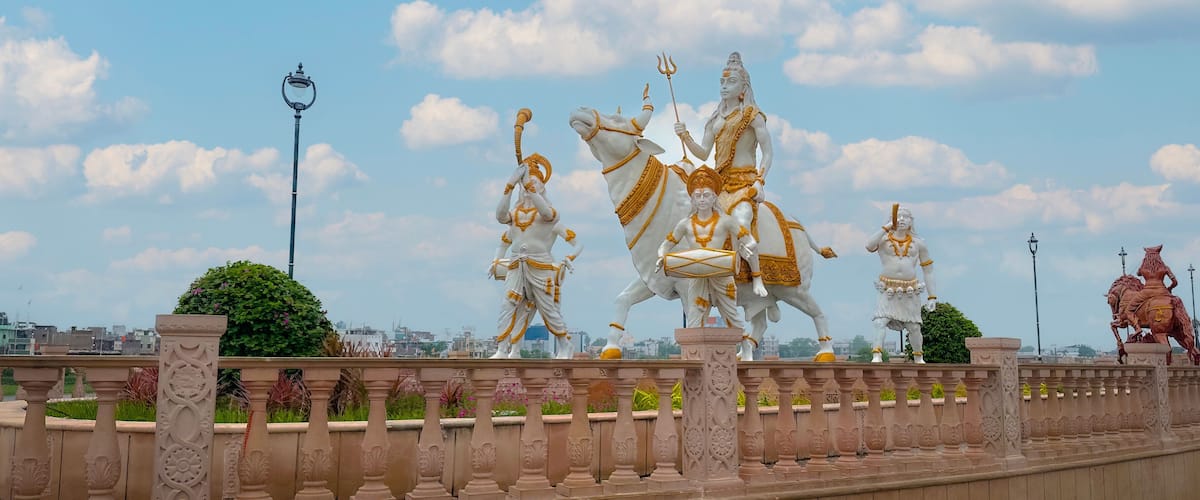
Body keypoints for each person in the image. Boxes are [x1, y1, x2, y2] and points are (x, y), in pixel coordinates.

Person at [489, 154, 582, 359]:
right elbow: (500, 217)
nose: (527, 188)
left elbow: (548, 215)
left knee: (547, 309)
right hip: (516, 266)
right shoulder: (514, 215)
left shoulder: (548, 214)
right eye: (526, 185)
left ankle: (565, 345)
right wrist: (509, 186)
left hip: (540, 267)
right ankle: (502, 349)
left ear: (541, 187)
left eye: (534, 183)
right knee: (508, 305)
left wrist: (570, 258)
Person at [673, 52, 773, 234]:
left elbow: (767, 153)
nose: (725, 87)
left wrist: (760, 182)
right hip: (718, 185)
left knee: (741, 221)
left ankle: (750, 262)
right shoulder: (715, 119)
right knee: (692, 223)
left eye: (731, 82)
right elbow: (703, 153)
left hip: (744, 184)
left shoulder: (752, 116)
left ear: (744, 87)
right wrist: (685, 136)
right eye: (722, 82)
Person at [657, 166, 767, 330]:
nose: (702, 199)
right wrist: (661, 256)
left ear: (714, 198)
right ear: (692, 200)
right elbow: (666, 244)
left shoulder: (726, 221)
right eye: (698, 196)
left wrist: (747, 245)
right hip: (697, 275)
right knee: (695, 319)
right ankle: (695, 354)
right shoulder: (685, 224)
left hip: (722, 273)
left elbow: (746, 238)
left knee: (732, 319)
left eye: (706, 195)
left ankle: (745, 346)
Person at [865, 205, 936, 363]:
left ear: (911, 222)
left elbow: (928, 270)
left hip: (909, 289)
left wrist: (932, 297)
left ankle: (919, 357)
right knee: (880, 321)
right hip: (887, 288)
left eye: (906, 217)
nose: (902, 219)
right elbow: (869, 245)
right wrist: (887, 227)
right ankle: (876, 355)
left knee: (914, 327)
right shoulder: (883, 239)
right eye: (899, 216)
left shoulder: (918, 243)